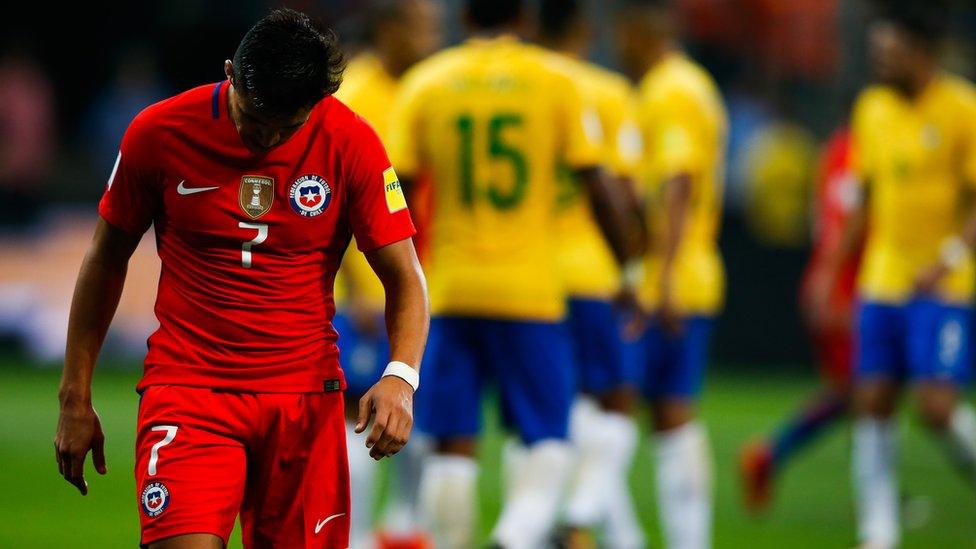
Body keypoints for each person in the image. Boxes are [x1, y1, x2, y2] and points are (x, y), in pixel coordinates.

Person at [53, 9, 429, 549]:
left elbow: (405, 275)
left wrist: (401, 376)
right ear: (230, 72)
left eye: (287, 125)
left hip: (304, 398)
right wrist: (74, 394)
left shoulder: (351, 142)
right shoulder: (159, 132)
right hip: (189, 392)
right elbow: (105, 259)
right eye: (254, 119)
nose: (267, 137)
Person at [387, 0, 643, 546]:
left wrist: (396, 276)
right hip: (529, 290)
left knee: (450, 440)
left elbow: (397, 193)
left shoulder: (427, 83)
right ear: (526, 19)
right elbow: (600, 188)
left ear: (464, 19)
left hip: (450, 288)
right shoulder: (555, 83)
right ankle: (516, 536)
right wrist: (629, 270)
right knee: (547, 434)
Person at [810, 7, 976, 548]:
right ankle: (878, 532)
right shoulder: (872, 108)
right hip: (883, 280)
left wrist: (949, 257)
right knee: (872, 400)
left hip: (943, 286)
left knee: (936, 409)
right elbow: (864, 199)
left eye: (892, 52)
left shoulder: (962, 109)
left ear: (922, 52)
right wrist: (830, 270)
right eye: (878, 51)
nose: (881, 61)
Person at [533, 1, 646, 547]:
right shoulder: (604, 91)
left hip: (530, 273)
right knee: (618, 401)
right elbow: (622, 191)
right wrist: (634, 268)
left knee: (558, 407)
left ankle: (604, 533)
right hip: (589, 270)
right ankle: (577, 518)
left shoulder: (520, 86)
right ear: (583, 30)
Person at [616, 2, 727, 548]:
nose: (618, 45)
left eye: (624, 33)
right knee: (667, 415)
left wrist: (662, 280)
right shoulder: (684, 85)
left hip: (670, 282)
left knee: (609, 404)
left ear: (644, 30)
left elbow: (678, 182)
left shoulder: (671, 90)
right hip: (684, 277)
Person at [332, 1, 442, 545]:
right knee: (360, 412)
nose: (431, 36)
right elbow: (338, 201)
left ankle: (403, 530)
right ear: (389, 28)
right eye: (422, 26)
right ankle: (350, 538)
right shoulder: (355, 94)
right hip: (370, 294)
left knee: (418, 412)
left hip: (423, 288)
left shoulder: (430, 88)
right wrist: (361, 287)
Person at [739, 125, 860, 512]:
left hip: (835, 280)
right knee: (865, 392)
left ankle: (771, 456)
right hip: (852, 286)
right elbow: (848, 225)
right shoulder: (860, 152)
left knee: (858, 394)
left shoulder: (835, 148)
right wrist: (831, 284)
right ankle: (770, 453)